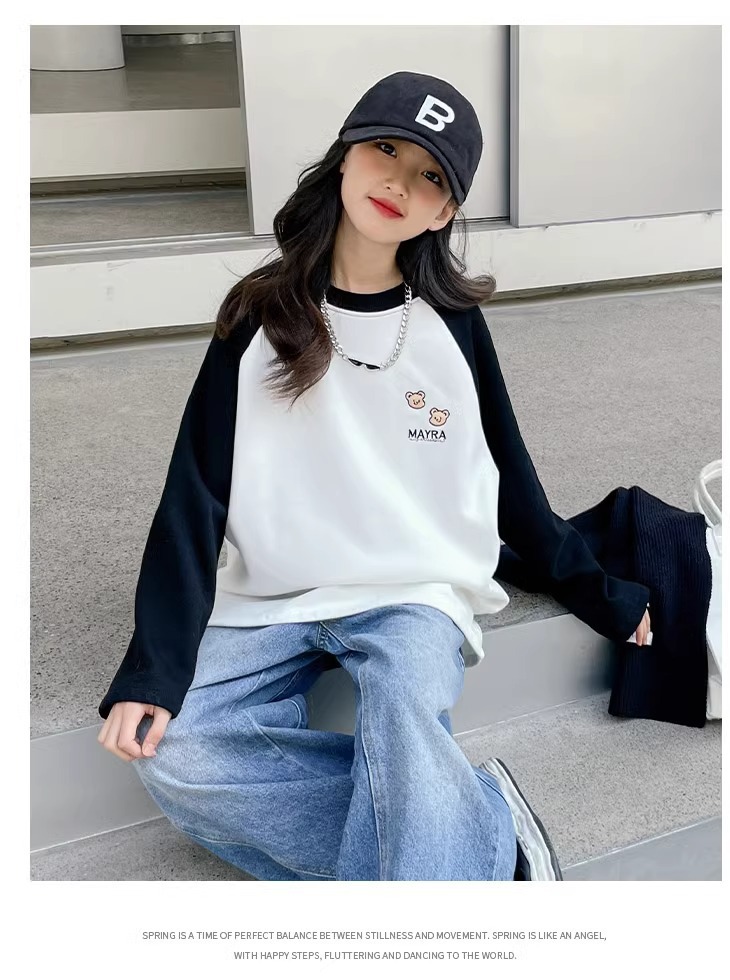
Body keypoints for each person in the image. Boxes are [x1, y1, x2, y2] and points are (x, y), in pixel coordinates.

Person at [97, 70, 651, 881]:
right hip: (276, 595)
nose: (397, 182)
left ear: (445, 211)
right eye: (385, 149)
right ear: (346, 155)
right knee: (178, 753)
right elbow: (195, 494)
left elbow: (509, 478)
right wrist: (152, 667)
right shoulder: (259, 313)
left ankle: (440, 859)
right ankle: (482, 834)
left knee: (403, 712)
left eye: (429, 175)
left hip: (412, 591)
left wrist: (600, 593)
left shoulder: (452, 324)